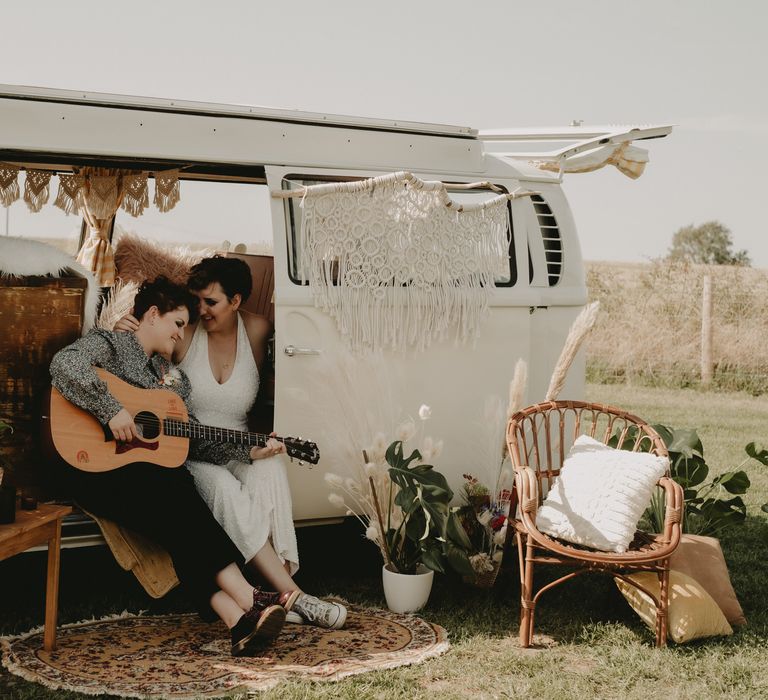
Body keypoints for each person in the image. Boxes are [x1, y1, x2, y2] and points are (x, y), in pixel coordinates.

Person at [50, 277, 293, 656]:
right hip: (88, 465)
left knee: (176, 505)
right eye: (178, 323)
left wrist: (247, 452)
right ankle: (249, 596)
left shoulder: (171, 379)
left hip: (143, 477)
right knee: (174, 490)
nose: (182, 334)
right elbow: (65, 364)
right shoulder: (110, 344)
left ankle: (238, 620)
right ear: (151, 314)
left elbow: (192, 439)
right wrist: (111, 410)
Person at [115, 257, 345, 630]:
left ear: (236, 301)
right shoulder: (184, 332)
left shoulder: (258, 330)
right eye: (197, 300)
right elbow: (143, 371)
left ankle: (280, 590)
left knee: (269, 468)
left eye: (211, 302)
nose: (200, 310)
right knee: (222, 486)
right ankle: (293, 596)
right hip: (190, 448)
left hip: (237, 443)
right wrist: (129, 328)